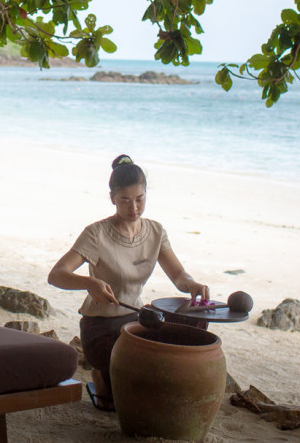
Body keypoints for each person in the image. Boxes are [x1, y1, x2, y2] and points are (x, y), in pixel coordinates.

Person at [47, 154, 210, 412]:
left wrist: (192, 284)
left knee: (193, 326)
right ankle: (102, 374)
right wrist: (89, 283)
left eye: (140, 199)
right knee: (138, 375)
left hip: (136, 320)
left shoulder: (156, 231)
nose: (133, 207)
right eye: (125, 200)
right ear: (112, 198)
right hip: (101, 327)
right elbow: (56, 275)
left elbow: (179, 275)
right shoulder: (96, 234)